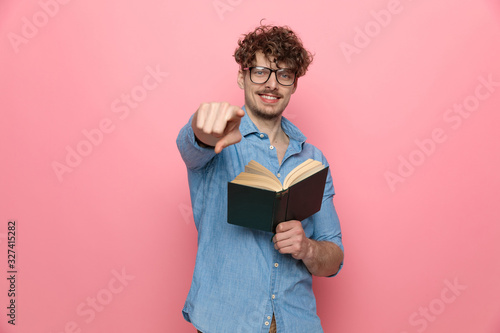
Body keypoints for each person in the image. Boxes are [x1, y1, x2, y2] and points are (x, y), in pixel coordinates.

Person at [176, 24, 344, 333]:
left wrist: (306, 248)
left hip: (296, 323)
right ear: (242, 75)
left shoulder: (313, 160)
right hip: (224, 323)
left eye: (284, 75)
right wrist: (202, 131)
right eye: (260, 72)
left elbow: (334, 259)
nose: (271, 84)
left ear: (293, 84)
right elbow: (190, 147)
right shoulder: (220, 142)